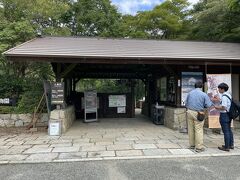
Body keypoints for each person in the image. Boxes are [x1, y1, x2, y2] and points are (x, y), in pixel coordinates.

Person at [185, 81, 213, 153]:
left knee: (191, 129)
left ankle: (192, 145)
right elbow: (208, 105)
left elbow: (186, 103)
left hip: (189, 111)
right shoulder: (203, 94)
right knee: (199, 129)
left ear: (195, 86)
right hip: (199, 113)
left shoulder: (190, 93)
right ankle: (199, 147)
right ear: (201, 87)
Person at [213, 83, 234, 152]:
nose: (218, 90)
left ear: (222, 89)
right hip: (229, 114)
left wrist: (216, 107)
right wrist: (219, 100)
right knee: (229, 130)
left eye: (219, 88)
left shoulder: (224, 96)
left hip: (224, 115)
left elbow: (223, 107)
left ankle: (226, 147)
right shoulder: (228, 95)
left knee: (226, 131)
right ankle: (231, 144)